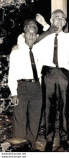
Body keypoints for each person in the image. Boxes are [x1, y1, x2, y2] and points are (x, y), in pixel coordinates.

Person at [33, 9, 69, 151]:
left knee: (64, 108)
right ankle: (49, 139)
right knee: (48, 108)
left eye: (63, 18)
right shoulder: (45, 36)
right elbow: (33, 47)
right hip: (48, 72)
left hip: (63, 73)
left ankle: (64, 139)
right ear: (51, 20)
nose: (60, 20)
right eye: (57, 18)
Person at [8, 19, 42, 149]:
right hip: (21, 87)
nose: (31, 36)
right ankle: (20, 146)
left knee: (35, 118)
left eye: (34, 33)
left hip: (36, 87)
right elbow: (12, 73)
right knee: (20, 119)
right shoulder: (16, 51)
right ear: (24, 34)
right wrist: (14, 94)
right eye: (29, 33)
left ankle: (31, 145)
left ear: (37, 36)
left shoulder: (39, 49)